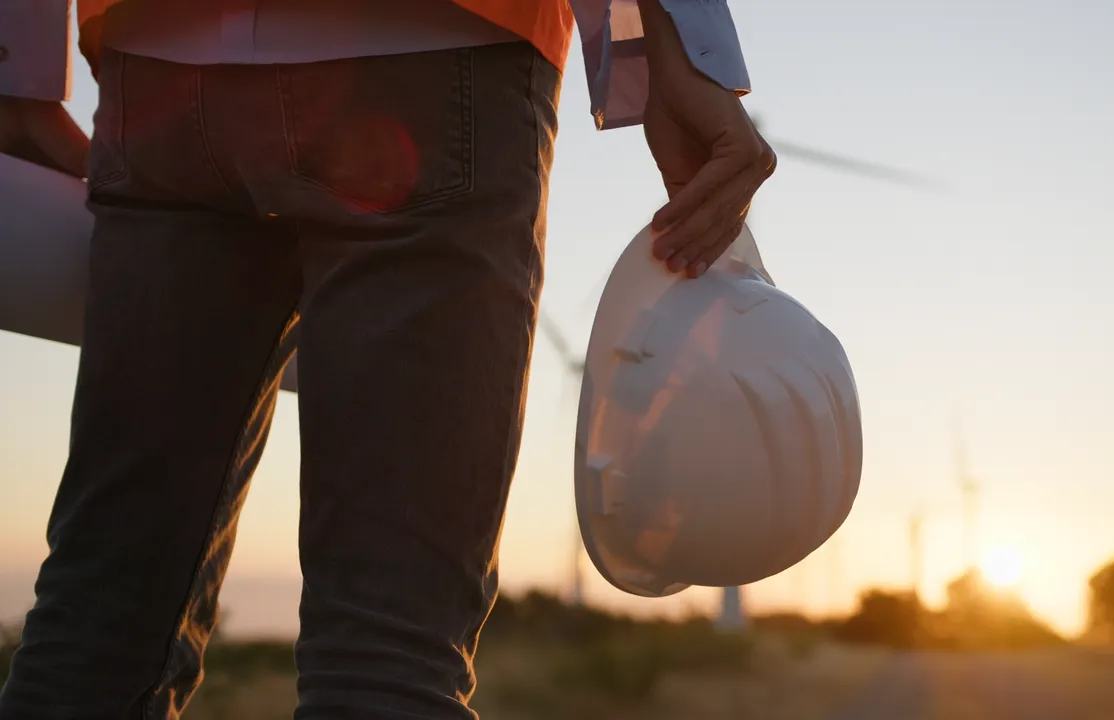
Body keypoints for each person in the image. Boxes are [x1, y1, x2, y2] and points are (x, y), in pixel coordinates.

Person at [0, 0, 775, 717]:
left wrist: (20, 65)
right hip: (439, 50)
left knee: (99, 615)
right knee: (387, 654)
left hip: (161, 61)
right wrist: (681, 42)